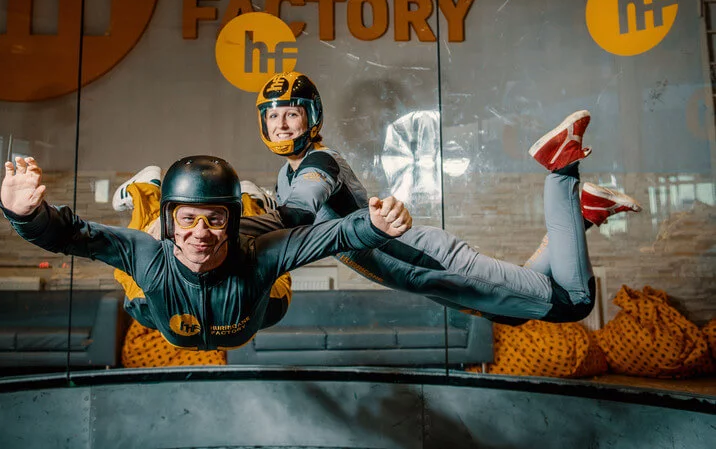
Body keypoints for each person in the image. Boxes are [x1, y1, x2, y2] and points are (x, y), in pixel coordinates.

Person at [249, 71, 643, 324]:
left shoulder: (319, 162)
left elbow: (299, 213)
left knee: (573, 303)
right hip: (420, 277)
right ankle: (587, 211)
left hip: (430, 262)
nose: (281, 124)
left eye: (291, 114)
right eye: (273, 116)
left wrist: (240, 222)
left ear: (311, 116)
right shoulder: (287, 175)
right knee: (514, 315)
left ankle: (562, 172)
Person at [0, 154, 412, 351]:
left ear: (228, 223)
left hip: (264, 303)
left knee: (278, 228)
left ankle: (250, 202)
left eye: (214, 220)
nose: (200, 234)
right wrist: (27, 215)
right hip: (156, 302)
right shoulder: (150, 255)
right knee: (139, 249)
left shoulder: (259, 255)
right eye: (187, 220)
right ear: (173, 220)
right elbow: (72, 235)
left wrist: (373, 224)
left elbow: (333, 236)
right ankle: (146, 188)